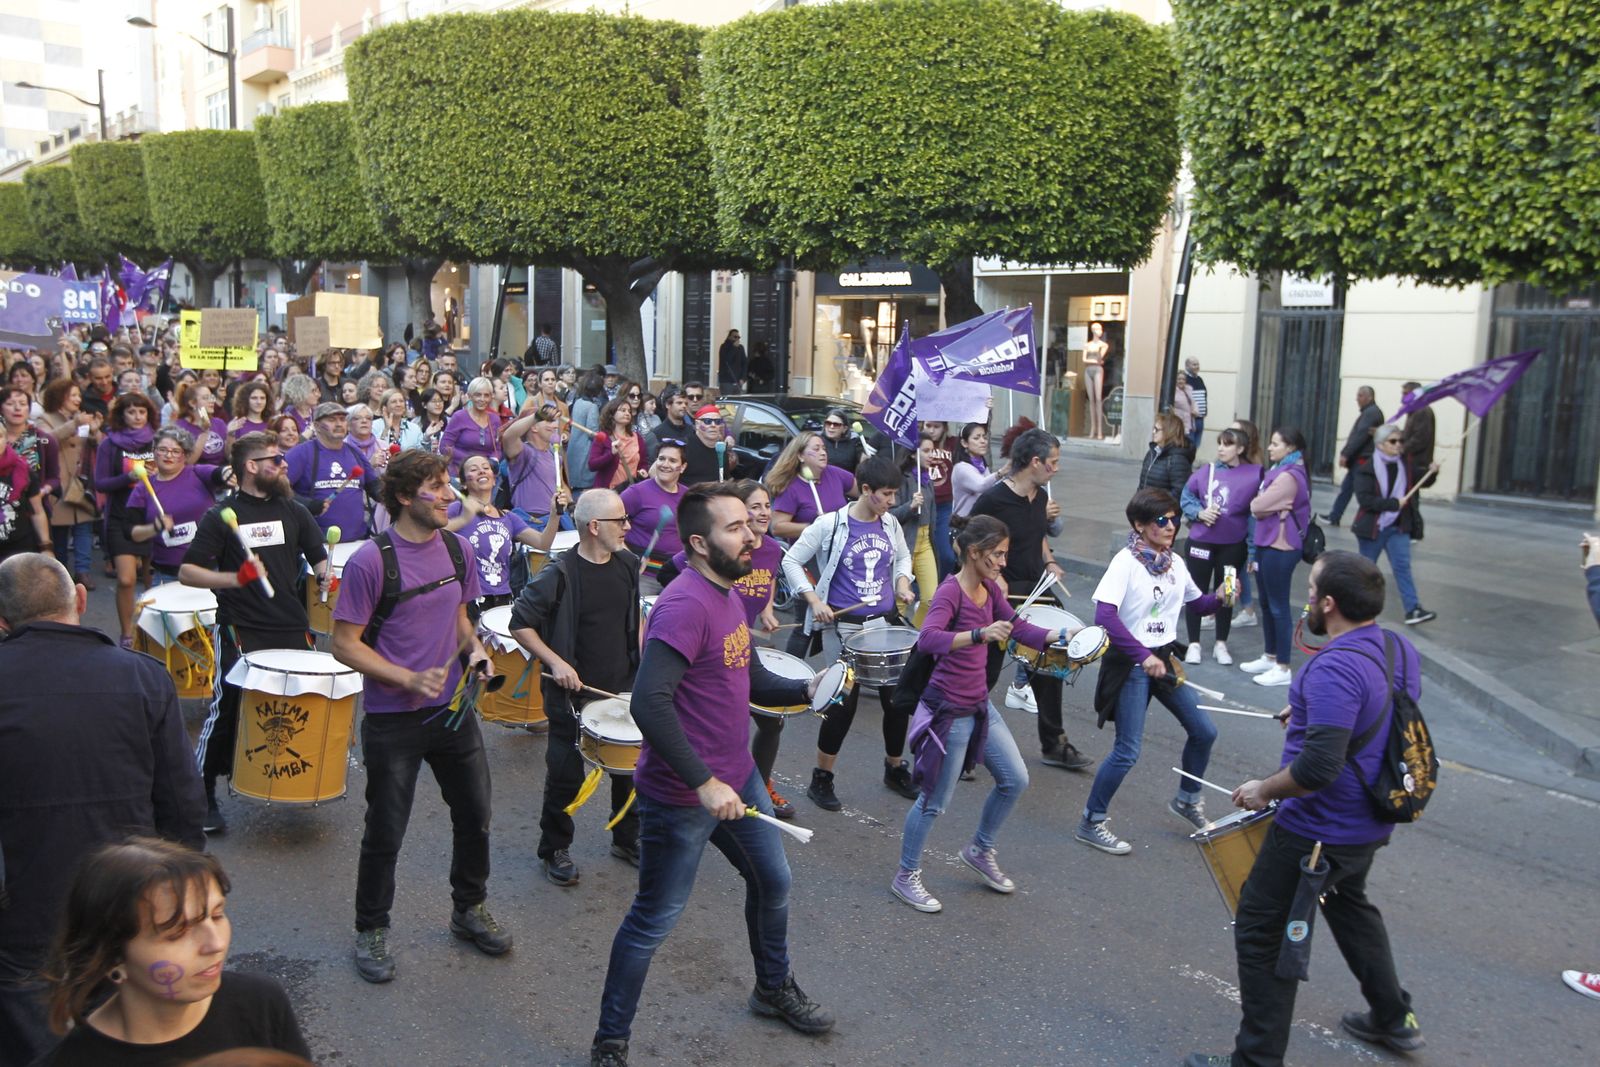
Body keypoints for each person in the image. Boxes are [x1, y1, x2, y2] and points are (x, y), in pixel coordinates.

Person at [589, 484, 833, 1067]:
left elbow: (746, 677)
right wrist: (703, 782)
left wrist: (809, 689)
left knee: (773, 881)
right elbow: (649, 704)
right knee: (652, 921)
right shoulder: (685, 604)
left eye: (749, 525)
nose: (751, 534)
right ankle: (610, 1043)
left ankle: (771, 989)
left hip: (738, 777)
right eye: (734, 528)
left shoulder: (729, 595)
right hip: (681, 795)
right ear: (698, 543)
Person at [1185, 551, 1425, 1067]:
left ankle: (1256, 1061)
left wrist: (1263, 790)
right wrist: (1315, 712)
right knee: (1348, 902)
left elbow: (1318, 769)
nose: (1307, 599)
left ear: (1330, 604)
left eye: (1312, 590)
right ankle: (1392, 1017)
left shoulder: (1333, 668)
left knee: (1262, 930)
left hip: (1318, 829)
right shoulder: (1396, 648)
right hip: (1369, 824)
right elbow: (1382, 711)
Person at [0, 556, 206, 1066]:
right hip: (125, 908)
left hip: (22, 920)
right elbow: (182, 808)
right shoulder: (144, 679)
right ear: (82, 601)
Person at [330, 450, 510, 983]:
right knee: (386, 831)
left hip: (453, 712)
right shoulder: (370, 561)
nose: (450, 497)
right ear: (406, 497)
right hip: (393, 720)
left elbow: (457, 616)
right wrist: (405, 678)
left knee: (475, 815)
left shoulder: (456, 550)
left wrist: (474, 651)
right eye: (436, 488)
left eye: (448, 486)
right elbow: (343, 644)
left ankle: (468, 909)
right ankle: (371, 929)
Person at [891, 515, 1061, 913]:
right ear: (973, 552)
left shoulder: (988, 589)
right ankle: (905, 874)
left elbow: (1019, 627)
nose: (1003, 562)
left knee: (1015, 780)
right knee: (934, 801)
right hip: (949, 712)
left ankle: (980, 850)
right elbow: (929, 639)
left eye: (1005, 554)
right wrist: (979, 635)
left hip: (980, 705)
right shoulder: (952, 592)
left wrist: (1064, 638)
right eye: (996, 555)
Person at [32, 839, 309, 1067]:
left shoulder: (260, 1004)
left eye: (217, 915)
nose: (215, 944)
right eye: (178, 932)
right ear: (112, 957)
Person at [179, 433, 329, 834]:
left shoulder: (294, 510)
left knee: (303, 704)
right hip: (240, 627)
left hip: (291, 624)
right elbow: (188, 572)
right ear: (251, 466)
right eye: (276, 459)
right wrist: (236, 576)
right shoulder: (222, 515)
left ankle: (289, 778)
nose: (283, 465)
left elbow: (318, 556)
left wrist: (326, 574)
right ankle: (203, 792)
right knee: (227, 707)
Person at [1077, 488, 1225, 855]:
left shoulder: (1174, 562)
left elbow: (1199, 603)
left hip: (1163, 659)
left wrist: (1221, 597)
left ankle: (1187, 800)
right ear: (1139, 525)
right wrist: (1142, 656)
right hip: (1131, 663)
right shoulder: (1125, 563)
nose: (1171, 525)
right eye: (1162, 520)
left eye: (1174, 518)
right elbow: (1104, 618)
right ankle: (1091, 821)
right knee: (1127, 751)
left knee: (1204, 731)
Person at [509, 488, 644, 886]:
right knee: (566, 772)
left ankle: (626, 837)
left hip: (620, 687)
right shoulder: (559, 574)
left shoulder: (627, 563)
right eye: (621, 521)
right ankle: (554, 848)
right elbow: (520, 623)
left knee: (629, 770)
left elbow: (628, 621)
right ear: (595, 526)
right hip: (572, 694)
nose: (628, 527)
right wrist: (556, 662)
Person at [781, 455, 918, 808]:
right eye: (886, 494)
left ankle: (894, 766)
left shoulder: (889, 524)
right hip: (844, 629)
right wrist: (813, 601)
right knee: (842, 704)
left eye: (894, 494)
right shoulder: (830, 525)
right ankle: (821, 778)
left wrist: (902, 583)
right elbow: (791, 561)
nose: (891, 502)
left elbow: (903, 557)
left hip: (883, 625)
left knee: (896, 701)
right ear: (866, 490)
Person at [970, 427, 1095, 771]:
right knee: (986, 670)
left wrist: (1050, 561)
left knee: (1052, 657)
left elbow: (1037, 536)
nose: (1057, 468)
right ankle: (960, 739)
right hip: (1002, 590)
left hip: (1035, 585)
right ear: (1035, 461)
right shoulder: (993, 500)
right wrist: (995, 580)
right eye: (1053, 462)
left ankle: (1054, 743)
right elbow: (966, 544)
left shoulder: (1039, 498)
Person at [1179, 427, 1262, 665]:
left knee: (1227, 593)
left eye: (1227, 444)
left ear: (1241, 449)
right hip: (1201, 543)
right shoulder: (1207, 471)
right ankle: (1194, 643)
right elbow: (1186, 496)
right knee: (1196, 590)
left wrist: (1253, 551)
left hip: (1233, 546)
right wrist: (1199, 513)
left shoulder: (1254, 474)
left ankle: (1220, 644)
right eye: (1220, 444)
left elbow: (1254, 515)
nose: (1221, 448)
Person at [448, 454, 567, 614]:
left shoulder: (509, 518)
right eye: (474, 470)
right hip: (470, 601)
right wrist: (464, 518)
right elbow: (432, 533)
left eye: (486, 468)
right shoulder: (457, 509)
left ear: (494, 478)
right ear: (463, 482)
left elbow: (542, 543)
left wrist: (554, 514)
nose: (482, 472)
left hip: (502, 597)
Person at [1242, 427, 1313, 688]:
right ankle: (1270, 656)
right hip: (1268, 542)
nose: (1269, 448)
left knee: (1278, 606)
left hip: (1281, 546)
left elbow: (1256, 506)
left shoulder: (1288, 477)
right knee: (1267, 604)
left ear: (1290, 448)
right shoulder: (1280, 472)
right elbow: (1261, 506)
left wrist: (1261, 503)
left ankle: (1282, 666)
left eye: (1275, 444)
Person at [1353, 423, 1439, 626]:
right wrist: (1393, 504)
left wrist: (1432, 471)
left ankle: (1413, 609)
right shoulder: (1366, 466)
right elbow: (1365, 500)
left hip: (1398, 527)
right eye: (1393, 441)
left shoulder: (1404, 464)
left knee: (1402, 567)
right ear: (1380, 444)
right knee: (1367, 573)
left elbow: (1421, 480)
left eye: (1400, 440)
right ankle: (1358, 611)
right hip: (1373, 528)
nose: (1398, 444)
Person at [126, 428, 234, 585]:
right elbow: (131, 533)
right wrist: (154, 528)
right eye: (163, 450)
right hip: (167, 573)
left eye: (176, 451)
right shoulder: (143, 488)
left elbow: (218, 473)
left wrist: (226, 473)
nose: (169, 455)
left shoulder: (197, 474)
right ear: (154, 452)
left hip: (209, 570)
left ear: (186, 455)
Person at [95, 393, 160, 647]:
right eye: (131, 412)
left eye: (141, 412)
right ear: (121, 415)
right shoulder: (109, 445)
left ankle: (148, 631)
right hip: (121, 516)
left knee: (151, 582)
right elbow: (100, 483)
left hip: (150, 515)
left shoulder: (156, 441)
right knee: (126, 579)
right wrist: (129, 476)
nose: (136, 417)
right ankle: (126, 633)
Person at [35, 378, 100, 589]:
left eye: (78, 395)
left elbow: (96, 446)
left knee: (84, 528)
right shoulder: (45, 419)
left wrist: (95, 431)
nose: (78, 399)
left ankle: (83, 571)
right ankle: (61, 572)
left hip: (80, 483)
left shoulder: (79, 418)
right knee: (60, 532)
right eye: (73, 395)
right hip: (59, 484)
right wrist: (74, 424)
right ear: (60, 397)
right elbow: (47, 440)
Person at [286, 402, 383, 540]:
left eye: (342, 419)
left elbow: (374, 487)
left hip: (356, 541)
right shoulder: (300, 453)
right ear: (317, 425)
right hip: (316, 545)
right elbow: (278, 490)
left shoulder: (355, 452)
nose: (339, 424)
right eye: (332, 420)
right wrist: (306, 504)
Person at [619, 439, 685, 589]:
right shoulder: (636, 493)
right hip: (643, 576)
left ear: (683, 467)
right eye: (661, 459)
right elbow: (610, 525)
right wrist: (629, 557)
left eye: (673, 460)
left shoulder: (688, 497)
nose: (665, 464)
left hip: (676, 576)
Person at [768, 430, 854, 541]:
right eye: (816, 449)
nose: (823, 453)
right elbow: (776, 528)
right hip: (810, 552)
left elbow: (864, 491)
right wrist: (814, 527)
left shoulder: (835, 473)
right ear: (800, 456)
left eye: (824, 448)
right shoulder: (791, 487)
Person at [1321, 385, 1385, 527]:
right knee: (1347, 489)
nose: (1357, 399)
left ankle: (1366, 520)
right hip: (1360, 459)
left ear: (1370, 397)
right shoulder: (1370, 412)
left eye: (1360, 395)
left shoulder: (1371, 413)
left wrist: (1346, 453)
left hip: (1363, 459)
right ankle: (1335, 515)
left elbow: (1360, 436)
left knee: (1361, 492)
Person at [439, 377, 503, 478]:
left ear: (491, 397)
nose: (482, 399)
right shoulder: (459, 416)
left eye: (486, 395)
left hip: (486, 475)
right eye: (478, 395)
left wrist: (493, 460)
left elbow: (498, 448)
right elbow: (445, 447)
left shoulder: (495, 419)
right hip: (460, 473)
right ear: (469, 396)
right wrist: (473, 461)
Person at [921, 420, 958, 578]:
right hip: (922, 504)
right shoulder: (917, 442)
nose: (932, 430)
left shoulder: (952, 443)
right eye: (928, 426)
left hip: (944, 506)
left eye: (936, 427)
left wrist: (987, 410)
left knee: (946, 556)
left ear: (944, 428)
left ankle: (944, 589)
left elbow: (975, 430)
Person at [588, 395, 647, 491]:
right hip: (608, 492)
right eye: (623, 410)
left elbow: (643, 462)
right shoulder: (603, 437)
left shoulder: (637, 437)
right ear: (612, 413)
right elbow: (592, 465)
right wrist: (610, 454)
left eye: (629, 411)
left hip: (630, 490)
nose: (627, 413)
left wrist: (643, 470)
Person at [565, 369, 607, 493]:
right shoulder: (592, 406)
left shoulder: (578, 402)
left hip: (574, 447)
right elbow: (592, 431)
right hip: (585, 450)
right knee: (584, 486)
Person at [950, 421, 1003, 519]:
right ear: (964, 443)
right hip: (964, 523)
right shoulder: (961, 467)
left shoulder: (983, 466)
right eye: (976, 438)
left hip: (981, 522)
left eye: (984, 437)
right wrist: (1001, 473)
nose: (983, 441)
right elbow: (981, 485)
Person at [679, 403, 740, 487]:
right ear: (697, 424)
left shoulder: (721, 448)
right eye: (707, 421)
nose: (713, 425)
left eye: (717, 422)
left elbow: (724, 479)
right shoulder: (683, 446)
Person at [1138, 412, 1193, 502]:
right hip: (1145, 509)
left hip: (1160, 511)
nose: (1153, 432)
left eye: (1156, 429)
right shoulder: (1153, 452)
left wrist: (1155, 503)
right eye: (1153, 428)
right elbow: (1142, 485)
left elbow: (1179, 492)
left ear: (1168, 432)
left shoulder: (1177, 459)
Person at [1081, 321, 1109, 440]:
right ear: (1093, 330)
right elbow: (1084, 360)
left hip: (1098, 370)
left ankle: (1099, 430)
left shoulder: (1103, 345)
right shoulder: (1087, 345)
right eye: (1098, 329)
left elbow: (1100, 358)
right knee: (1091, 400)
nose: (1100, 331)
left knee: (1098, 399)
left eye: (1101, 329)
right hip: (1088, 370)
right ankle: (1092, 429)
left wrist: (1095, 361)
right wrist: (1095, 361)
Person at [1399, 382, 1435, 468]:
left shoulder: (1422, 411)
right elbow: (1410, 433)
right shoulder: (1414, 410)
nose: (1403, 397)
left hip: (1417, 463)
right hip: (1411, 461)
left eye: (1406, 394)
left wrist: (1402, 449)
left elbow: (1420, 438)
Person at [227, 380, 274, 446]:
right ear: (245, 400)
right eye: (254, 398)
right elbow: (229, 454)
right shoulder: (237, 424)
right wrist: (230, 435)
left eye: (262, 398)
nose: (259, 402)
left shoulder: (271, 424)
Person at [819, 408, 864, 473]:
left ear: (844, 429)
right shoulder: (818, 441)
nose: (831, 426)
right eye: (828, 423)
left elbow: (861, 466)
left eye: (836, 424)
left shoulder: (855, 444)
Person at [1183, 357, 1209, 450]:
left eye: (1197, 364)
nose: (1197, 366)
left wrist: (1205, 411)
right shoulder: (1184, 379)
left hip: (1200, 418)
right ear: (1187, 366)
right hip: (1190, 419)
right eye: (1194, 364)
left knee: (1196, 443)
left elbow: (1204, 396)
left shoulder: (1199, 379)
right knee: (1189, 443)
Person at [718, 329, 748, 395]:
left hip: (738, 381)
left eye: (738, 337)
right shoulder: (724, 347)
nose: (737, 339)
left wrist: (743, 378)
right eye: (735, 337)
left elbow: (744, 363)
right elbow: (726, 360)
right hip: (726, 381)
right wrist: (734, 348)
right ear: (729, 337)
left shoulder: (741, 348)